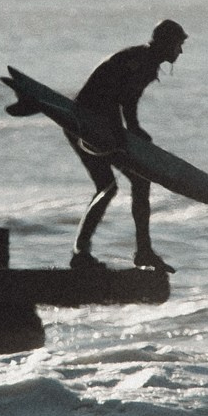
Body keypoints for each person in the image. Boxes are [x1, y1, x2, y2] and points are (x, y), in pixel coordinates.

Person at [66, 19, 187, 273]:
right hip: (85, 123)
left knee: (138, 181)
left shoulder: (146, 61)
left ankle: (143, 251)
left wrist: (134, 130)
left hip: (99, 124)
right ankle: (81, 252)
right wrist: (122, 137)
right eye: (178, 45)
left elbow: (127, 100)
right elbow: (111, 96)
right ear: (166, 44)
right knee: (107, 186)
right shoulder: (140, 62)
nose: (181, 51)